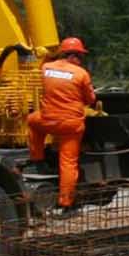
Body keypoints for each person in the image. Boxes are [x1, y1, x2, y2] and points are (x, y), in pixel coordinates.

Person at [25, 35, 95, 213]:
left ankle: (37, 160)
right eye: (80, 56)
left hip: (48, 121)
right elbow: (90, 99)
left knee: (32, 121)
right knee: (68, 163)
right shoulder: (81, 74)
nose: (80, 60)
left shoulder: (46, 68)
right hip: (71, 125)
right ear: (76, 56)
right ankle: (67, 204)